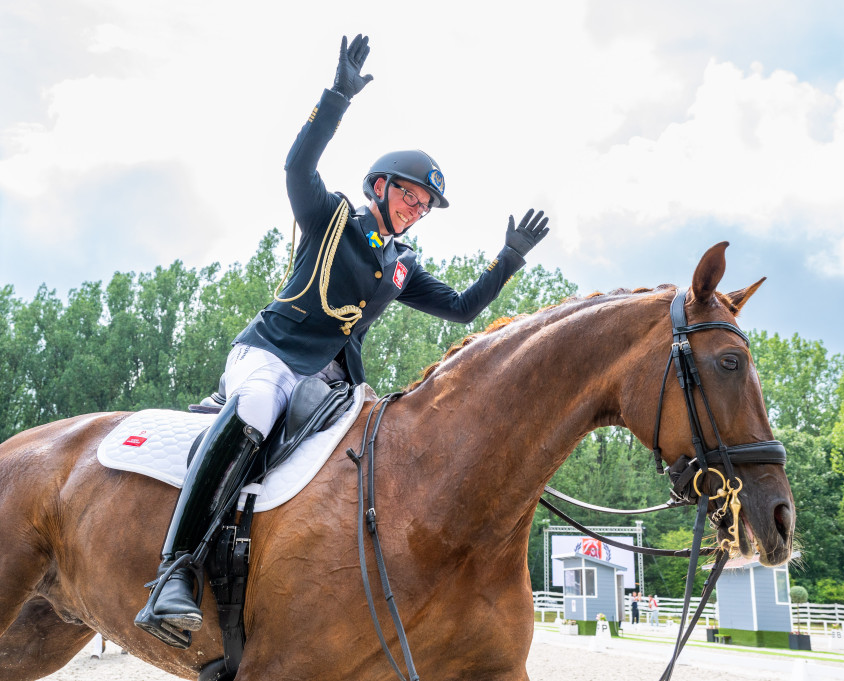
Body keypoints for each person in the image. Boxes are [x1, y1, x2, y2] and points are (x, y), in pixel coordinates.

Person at [134, 33, 550, 649]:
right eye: (409, 192)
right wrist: (337, 97)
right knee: (252, 411)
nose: (416, 207)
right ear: (379, 186)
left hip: (332, 381)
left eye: (426, 203)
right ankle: (174, 571)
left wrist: (508, 261)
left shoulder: (400, 265)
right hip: (272, 354)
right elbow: (297, 166)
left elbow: (462, 309)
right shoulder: (330, 217)